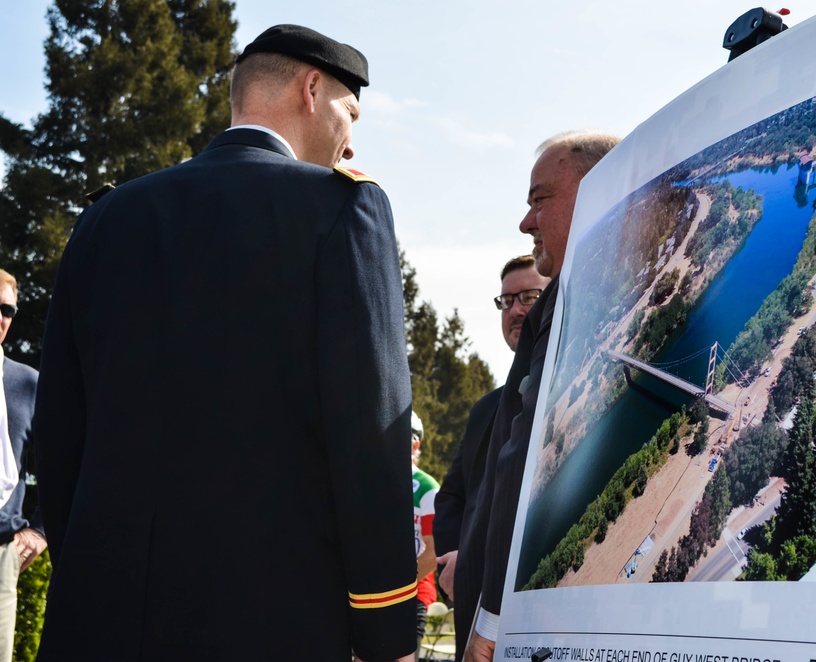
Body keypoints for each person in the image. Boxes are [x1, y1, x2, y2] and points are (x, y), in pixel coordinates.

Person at [33, 25, 417, 662]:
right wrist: (386, 630)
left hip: (100, 620)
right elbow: (371, 433)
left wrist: (93, 576)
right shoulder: (343, 210)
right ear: (312, 88)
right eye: (352, 113)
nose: (352, 140)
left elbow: (61, 429)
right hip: (272, 622)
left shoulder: (107, 217)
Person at [457, 132, 620, 662]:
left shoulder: (574, 297)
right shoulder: (590, 290)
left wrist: (496, 613)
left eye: (540, 199)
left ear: (599, 189)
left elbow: (525, 463)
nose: (526, 222)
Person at [432, 255, 549, 658]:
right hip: (474, 621)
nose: (517, 310)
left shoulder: (566, 388)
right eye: (507, 301)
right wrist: (458, 567)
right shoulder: (486, 409)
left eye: (530, 296)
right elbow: (452, 499)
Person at [0, 270, 46, 662]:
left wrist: (41, 529)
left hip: (2, 556)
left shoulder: (29, 384)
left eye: (7, 309)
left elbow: (63, 461)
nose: (0, 316)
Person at [410, 411, 439, 655]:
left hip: (413, 593)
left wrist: (398, 585)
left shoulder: (428, 488)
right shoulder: (373, 485)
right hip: (368, 595)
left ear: (415, 444)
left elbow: (435, 551)